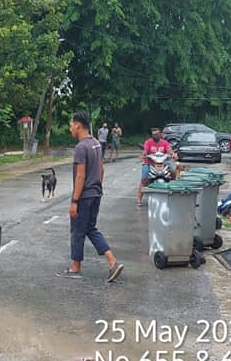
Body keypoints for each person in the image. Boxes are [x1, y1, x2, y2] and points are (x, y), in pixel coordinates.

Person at [57, 111, 124, 282]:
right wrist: (96, 187)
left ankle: (75, 268)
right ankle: (112, 262)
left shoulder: (81, 147)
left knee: (78, 231)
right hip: (96, 193)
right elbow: (101, 169)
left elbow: (80, 175)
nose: (70, 128)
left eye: (71, 125)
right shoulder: (95, 143)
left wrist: (74, 201)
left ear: (78, 125)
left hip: (85, 196)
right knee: (90, 228)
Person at [137, 126, 178, 207]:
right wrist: (142, 156)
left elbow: (169, 150)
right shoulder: (148, 142)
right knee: (144, 178)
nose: (155, 136)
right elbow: (145, 151)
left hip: (164, 162)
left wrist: (173, 155)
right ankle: (139, 199)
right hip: (150, 162)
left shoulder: (165, 143)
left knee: (173, 170)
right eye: (153, 134)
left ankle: (173, 186)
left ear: (160, 134)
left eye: (157, 134)